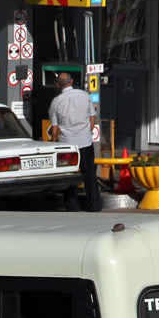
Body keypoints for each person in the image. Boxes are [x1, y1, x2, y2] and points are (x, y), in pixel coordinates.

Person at [48, 71, 100, 212]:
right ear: (71, 82)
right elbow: (92, 117)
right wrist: (88, 131)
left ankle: (72, 206)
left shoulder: (56, 102)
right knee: (89, 173)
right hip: (85, 142)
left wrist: (54, 142)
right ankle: (94, 205)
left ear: (58, 85)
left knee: (69, 175)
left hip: (67, 144)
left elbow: (54, 128)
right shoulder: (84, 96)